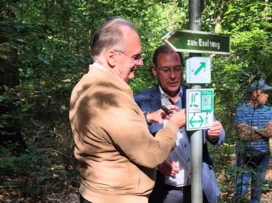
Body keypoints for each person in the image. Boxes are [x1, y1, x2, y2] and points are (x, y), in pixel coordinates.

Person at [69, 17, 186, 203]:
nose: (139, 63)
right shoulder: (109, 97)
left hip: (97, 192)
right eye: (135, 57)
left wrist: (147, 117)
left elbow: (109, 126)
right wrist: (173, 125)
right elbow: (151, 154)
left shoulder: (87, 85)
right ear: (112, 57)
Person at [134, 45, 225, 203]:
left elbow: (217, 132)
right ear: (155, 70)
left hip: (200, 188)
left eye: (177, 68)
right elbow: (134, 145)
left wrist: (216, 132)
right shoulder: (142, 102)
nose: (173, 76)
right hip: (163, 192)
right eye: (166, 69)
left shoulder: (195, 95)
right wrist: (156, 163)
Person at [234, 79, 272, 203]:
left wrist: (253, 129)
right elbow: (242, 134)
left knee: (257, 191)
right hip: (245, 155)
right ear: (255, 93)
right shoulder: (241, 110)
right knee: (241, 189)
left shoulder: (269, 111)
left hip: (263, 155)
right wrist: (262, 131)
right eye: (264, 92)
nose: (267, 95)